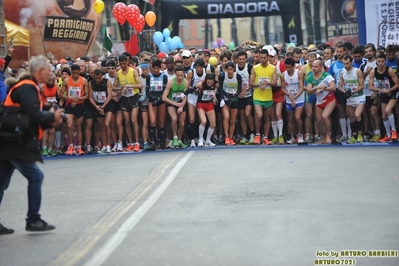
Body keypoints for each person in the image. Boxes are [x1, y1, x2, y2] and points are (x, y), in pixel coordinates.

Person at [0, 55, 63, 234]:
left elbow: (30, 114)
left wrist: (51, 116)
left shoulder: (29, 86)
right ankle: (33, 219)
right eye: (49, 69)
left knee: (1, 183)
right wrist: (52, 117)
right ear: (40, 71)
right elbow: (33, 115)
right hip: (14, 142)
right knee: (36, 177)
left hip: (8, 139)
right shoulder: (28, 87)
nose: (51, 72)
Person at [369, 53, 399, 142]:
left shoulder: (389, 70)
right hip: (383, 93)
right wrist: (379, 90)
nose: (381, 63)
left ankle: (394, 131)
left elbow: (397, 84)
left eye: (382, 61)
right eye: (379, 61)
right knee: (384, 116)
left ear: (385, 61)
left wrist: (389, 90)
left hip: (393, 92)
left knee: (388, 110)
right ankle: (388, 135)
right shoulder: (373, 71)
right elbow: (370, 87)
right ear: (376, 62)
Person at [306, 59, 337, 144]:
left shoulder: (327, 76)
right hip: (319, 101)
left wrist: (325, 88)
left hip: (329, 99)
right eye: (312, 66)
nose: (314, 68)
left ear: (321, 67)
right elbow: (309, 90)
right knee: (319, 121)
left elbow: (333, 88)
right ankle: (323, 137)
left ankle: (328, 136)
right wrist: (317, 88)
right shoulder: (310, 77)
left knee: (325, 116)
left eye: (316, 67)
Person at [337, 55, 365, 143]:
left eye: (347, 63)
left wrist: (353, 92)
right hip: (350, 98)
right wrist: (345, 92)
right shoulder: (342, 72)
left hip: (359, 96)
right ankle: (354, 135)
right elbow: (339, 86)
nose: (345, 65)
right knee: (351, 117)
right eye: (344, 64)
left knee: (357, 115)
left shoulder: (357, 71)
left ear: (351, 62)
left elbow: (362, 86)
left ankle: (360, 134)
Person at [162, 66, 188, 148]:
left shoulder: (186, 82)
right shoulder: (170, 82)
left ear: (183, 74)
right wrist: (176, 104)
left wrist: (182, 105)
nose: (179, 77)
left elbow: (185, 95)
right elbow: (164, 97)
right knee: (174, 119)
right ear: (175, 75)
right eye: (178, 75)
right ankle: (175, 137)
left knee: (182, 123)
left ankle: (180, 140)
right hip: (172, 103)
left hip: (181, 102)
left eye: (181, 75)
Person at [281, 57, 305, 144]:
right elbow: (283, 88)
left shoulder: (299, 73)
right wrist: (289, 96)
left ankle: (300, 135)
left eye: (289, 67)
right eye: (286, 67)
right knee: (290, 119)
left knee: (297, 117)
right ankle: (292, 137)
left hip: (299, 98)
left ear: (294, 66)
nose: (288, 69)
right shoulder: (283, 75)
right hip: (289, 98)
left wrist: (295, 97)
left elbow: (302, 87)